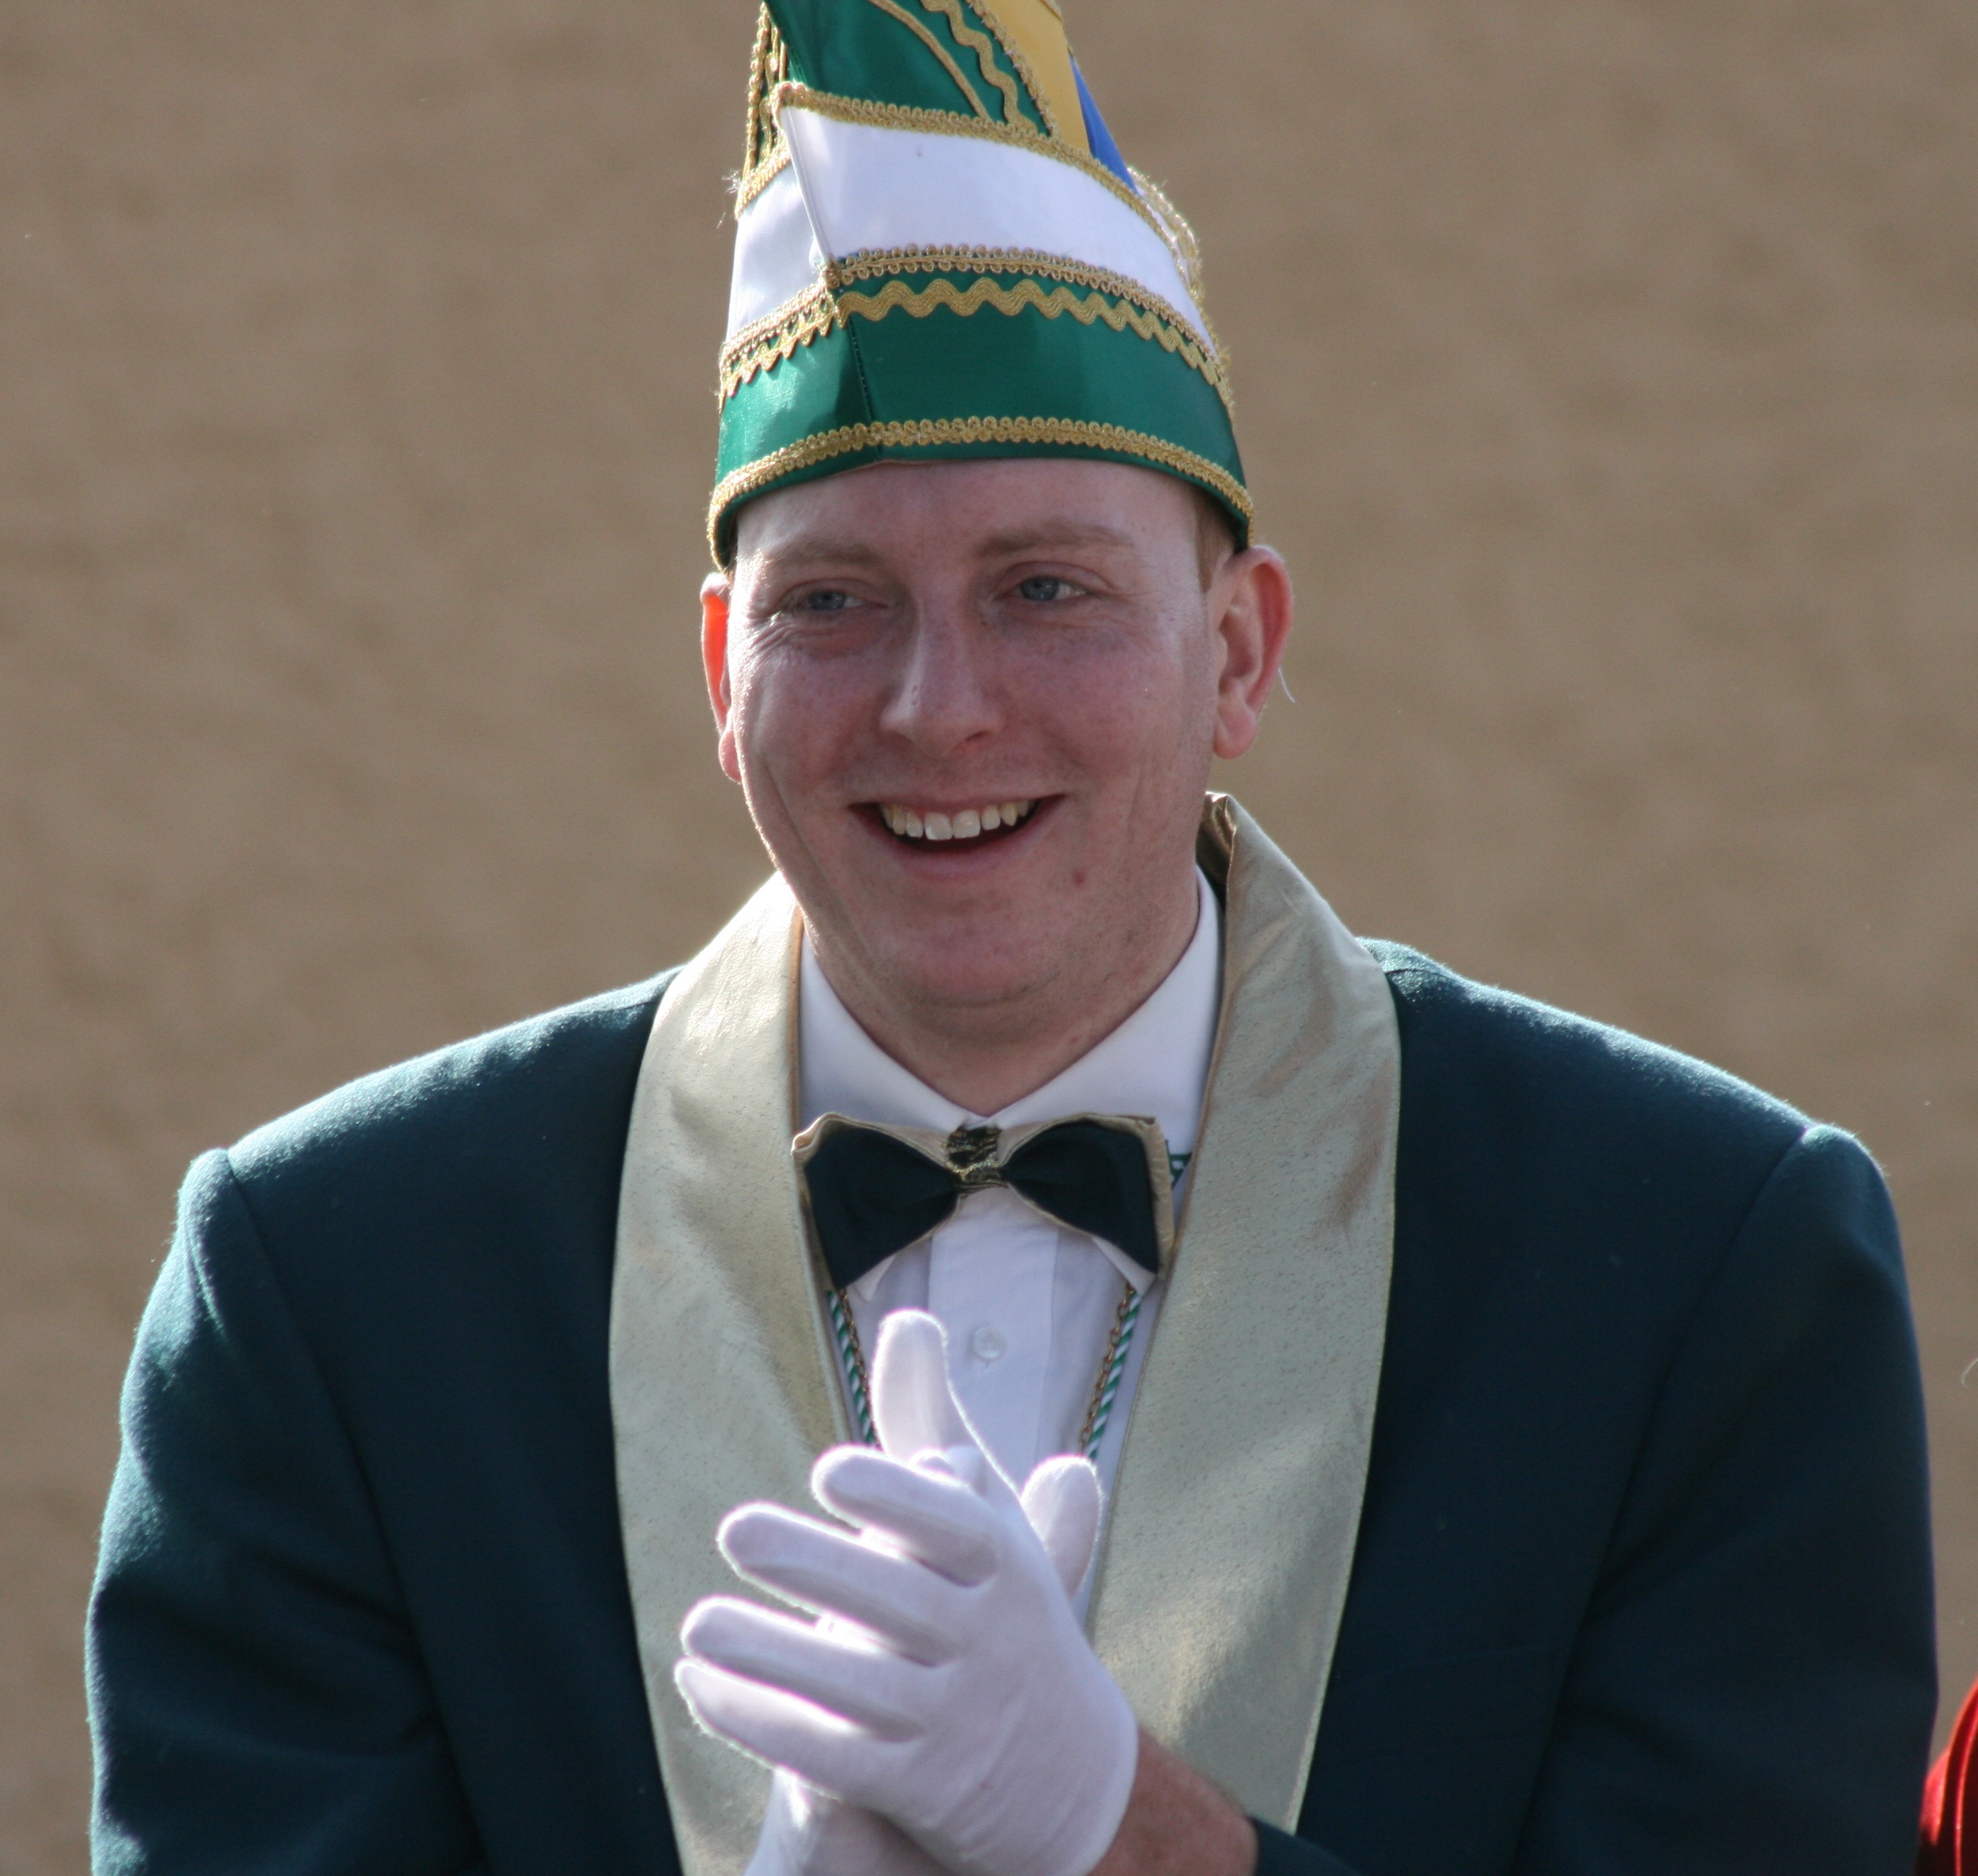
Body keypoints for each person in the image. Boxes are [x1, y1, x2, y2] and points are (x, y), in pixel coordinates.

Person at [87, 1, 1935, 1872]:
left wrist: (1113, 1830)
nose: (939, 707)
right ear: (721, 674)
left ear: (1238, 651)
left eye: (1046, 588)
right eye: (832, 602)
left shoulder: (1698, 1264)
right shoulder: (330, 1292)